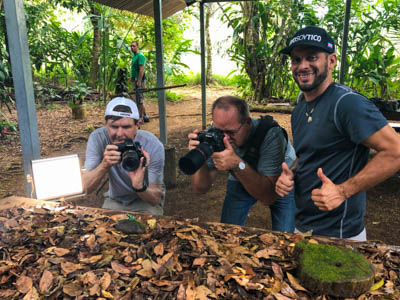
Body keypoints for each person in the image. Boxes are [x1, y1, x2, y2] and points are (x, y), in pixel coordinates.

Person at [276, 26, 400, 241]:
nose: (302, 66)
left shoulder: (347, 104)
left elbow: (395, 151)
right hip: (303, 224)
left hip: (339, 233)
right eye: (296, 60)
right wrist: (291, 174)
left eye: (311, 57)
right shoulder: (300, 108)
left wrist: (343, 191)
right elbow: (309, 155)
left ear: (332, 61)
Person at [187, 96, 296, 232]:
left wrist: (237, 164)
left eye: (231, 132)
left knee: (285, 236)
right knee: (227, 232)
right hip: (241, 173)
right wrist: (200, 156)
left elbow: (268, 197)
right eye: (219, 131)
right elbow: (200, 188)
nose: (224, 138)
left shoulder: (272, 134)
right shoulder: (214, 134)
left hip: (280, 178)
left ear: (248, 123)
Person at [83, 97, 165, 215]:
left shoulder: (152, 145)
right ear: (106, 124)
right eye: (114, 127)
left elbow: (156, 199)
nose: (119, 134)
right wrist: (104, 165)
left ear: (138, 125)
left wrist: (139, 186)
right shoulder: (98, 139)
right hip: (116, 200)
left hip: (145, 200)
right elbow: (86, 188)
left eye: (126, 127)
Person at [130, 41, 150, 123]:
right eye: (131, 46)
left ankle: (140, 117)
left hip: (140, 80)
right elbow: (134, 69)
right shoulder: (134, 56)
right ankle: (145, 115)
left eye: (134, 46)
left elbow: (141, 70)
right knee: (137, 98)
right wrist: (132, 78)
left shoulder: (140, 56)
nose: (132, 47)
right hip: (135, 79)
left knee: (139, 99)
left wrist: (139, 81)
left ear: (137, 47)